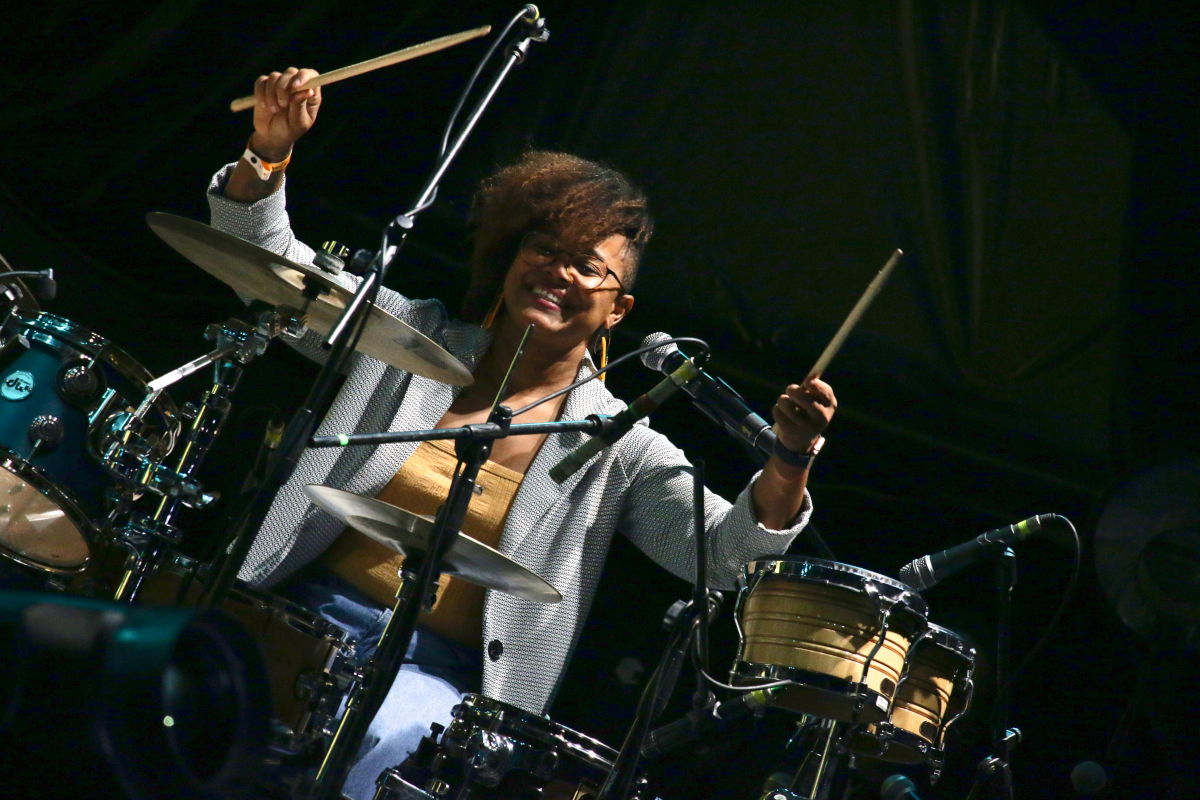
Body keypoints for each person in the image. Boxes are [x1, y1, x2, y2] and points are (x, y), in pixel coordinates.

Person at [207, 68, 837, 800]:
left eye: (587, 266)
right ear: (511, 256)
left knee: (391, 739)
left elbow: (727, 557)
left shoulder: (618, 445)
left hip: (437, 680)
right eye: (544, 247)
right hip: (293, 610)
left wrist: (789, 462)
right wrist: (268, 153)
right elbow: (268, 271)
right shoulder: (407, 334)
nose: (558, 272)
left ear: (618, 311)